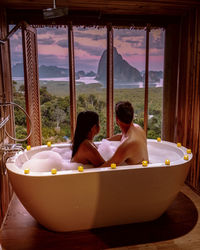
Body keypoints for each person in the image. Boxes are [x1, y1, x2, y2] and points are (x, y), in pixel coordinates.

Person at [101, 101, 149, 167]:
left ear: (117, 119)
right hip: (145, 169)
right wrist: (105, 140)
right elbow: (121, 136)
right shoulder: (138, 128)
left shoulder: (126, 144)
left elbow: (106, 166)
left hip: (138, 175)